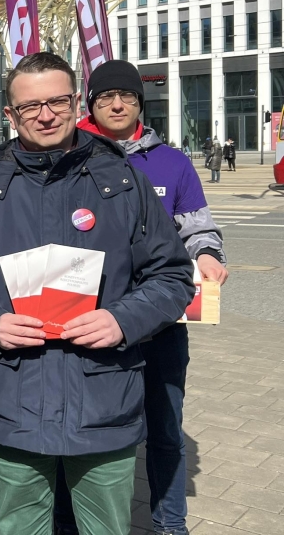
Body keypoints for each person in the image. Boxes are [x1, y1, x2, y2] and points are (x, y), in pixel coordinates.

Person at [0, 52, 194, 535]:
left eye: (57, 101)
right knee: (22, 528)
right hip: (13, 398)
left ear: (76, 102)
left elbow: (172, 276)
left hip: (102, 400)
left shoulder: (124, 183)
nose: (45, 115)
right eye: (30, 106)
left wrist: (122, 320)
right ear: (10, 114)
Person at [57, 59, 228, 535]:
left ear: (140, 103)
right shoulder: (68, 156)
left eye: (128, 96)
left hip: (160, 324)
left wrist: (208, 253)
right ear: (90, 103)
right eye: (107, 97)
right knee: (80, 432)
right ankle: (68, 522)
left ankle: (170, 524)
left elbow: (197, 227)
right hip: (89, 323)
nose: (118, 104)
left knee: (166, 431)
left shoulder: (172, 163)